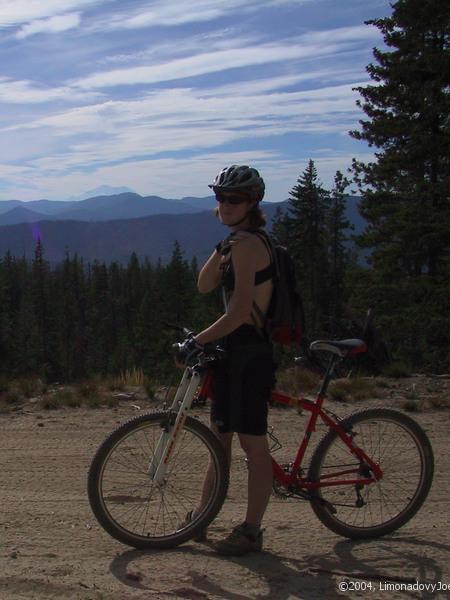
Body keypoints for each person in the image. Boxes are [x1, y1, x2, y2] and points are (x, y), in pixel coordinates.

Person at [193, 164, 276, 556]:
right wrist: (223, 242)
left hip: (250, 354)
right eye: (220, 198)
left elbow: (241, 311)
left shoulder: (249, 245)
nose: (225, 205)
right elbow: (205, 284)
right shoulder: (236, 242)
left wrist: (197, 340)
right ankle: (203, 515)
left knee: (252, 445)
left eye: (234, 199)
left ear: (252, 202)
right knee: (218, 440)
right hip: (231, 352)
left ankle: (252, 530)